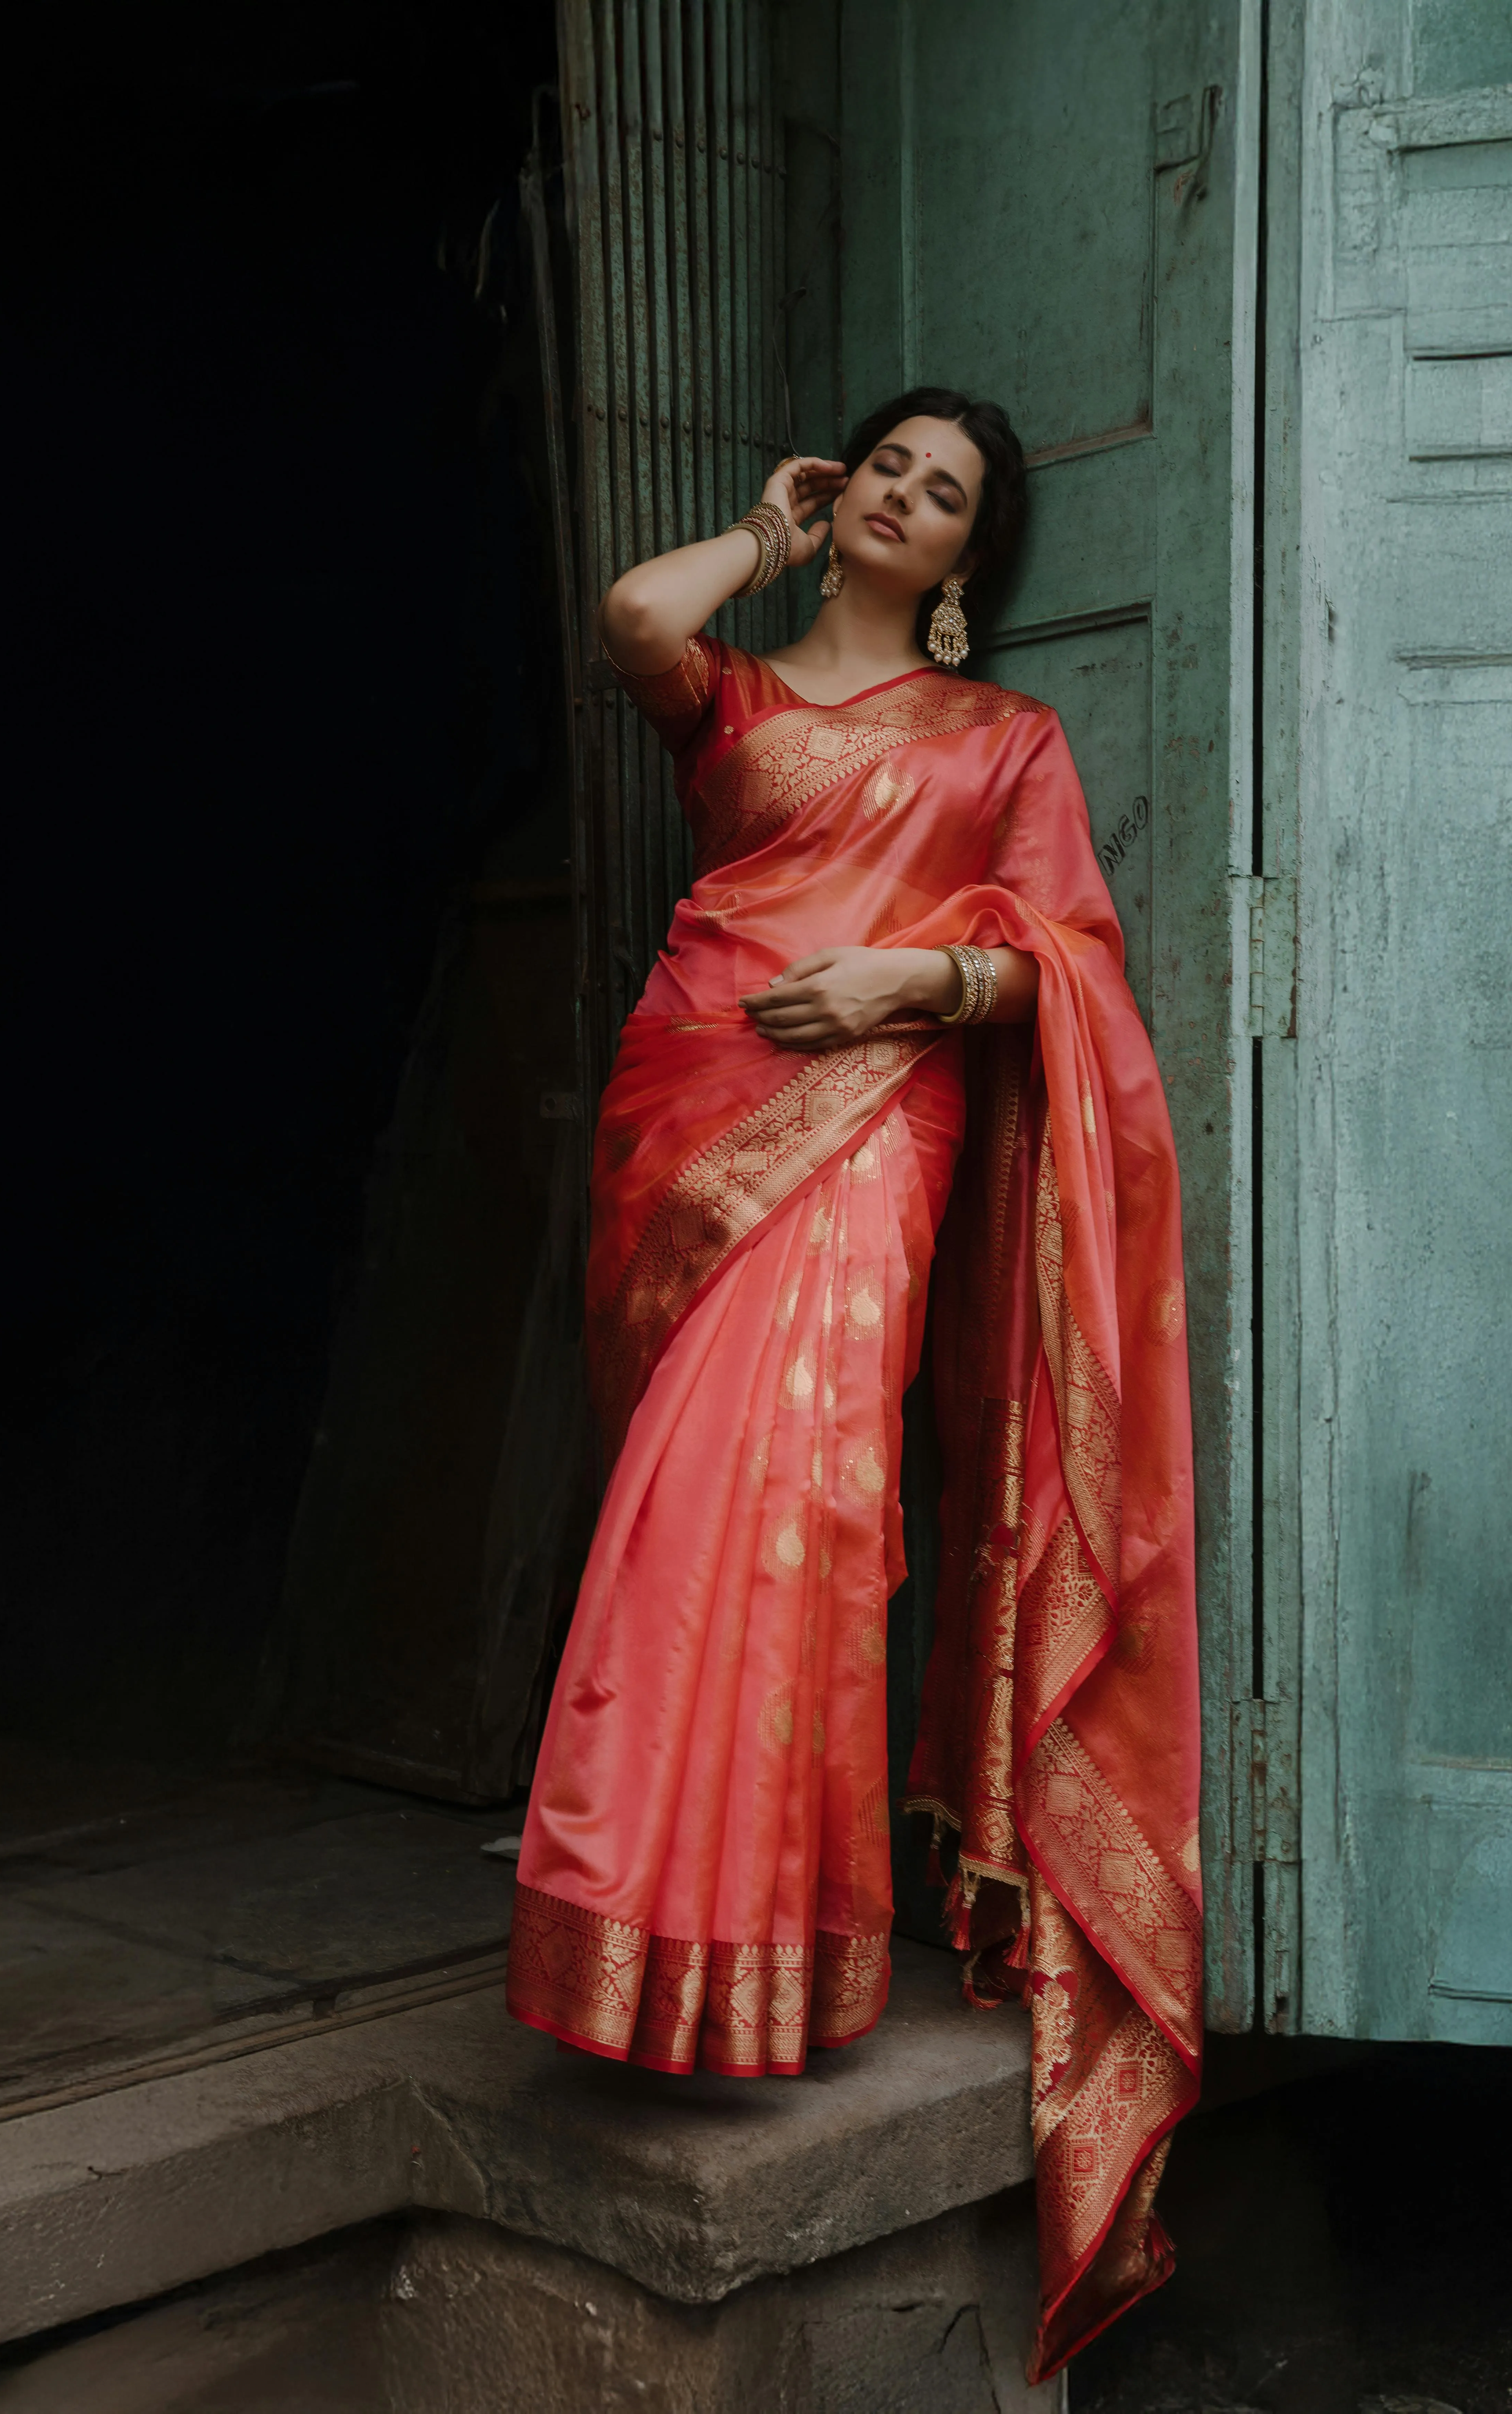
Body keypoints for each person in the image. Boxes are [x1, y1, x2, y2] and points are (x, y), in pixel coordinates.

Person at [504, 387, 1201, 2379]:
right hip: (693, 1112)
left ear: (976, 556)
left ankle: (770, 1969)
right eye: (886, 466)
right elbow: (637, 616)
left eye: (945, 490)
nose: (906, 495)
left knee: (798, 1510)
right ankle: (643, 1938)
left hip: (873, 1124)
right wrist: (769, 529)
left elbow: (1071, 954)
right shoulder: (728, 699)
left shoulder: (1002, 745)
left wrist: (916, 979)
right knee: (671, 1525)